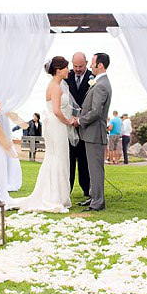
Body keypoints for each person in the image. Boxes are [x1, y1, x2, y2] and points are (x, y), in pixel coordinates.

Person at [17, 57, 80, 213]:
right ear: (58, 70)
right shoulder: (56, 87)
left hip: (52, 125)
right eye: (66, 68)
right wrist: (69, 121)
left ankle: (56, 194)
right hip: (57, 125)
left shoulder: (53, 85)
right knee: (59, 158)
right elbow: (57, 111)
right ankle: (55, 197)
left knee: (54, 157)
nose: (68, 70)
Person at [77, 53, 113, 211]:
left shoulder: (102, 85)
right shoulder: (99, 83)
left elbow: (96, 111)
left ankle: (98, 202)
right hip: (91, 133)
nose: (90, 65)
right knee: (92, 168)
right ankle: (93, 197)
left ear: (100, 65)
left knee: (96, 169)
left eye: (92, 63)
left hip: (94, 133)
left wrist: (79, 120)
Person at [66, 52, 95, 200]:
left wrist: (82, 118)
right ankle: (67, 189)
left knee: (85, 160)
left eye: (80, 66)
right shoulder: (67, 76)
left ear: (86, 63)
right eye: (75, 66)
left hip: (85, 126)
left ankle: (86, 189)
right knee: (69, 160)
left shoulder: (93, 77)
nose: (77, 69)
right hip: (69, 126)